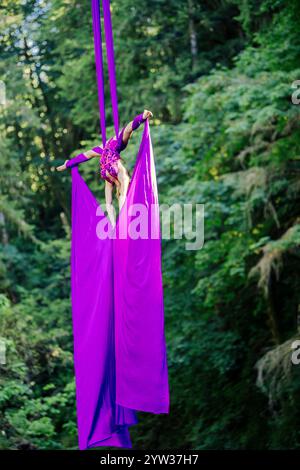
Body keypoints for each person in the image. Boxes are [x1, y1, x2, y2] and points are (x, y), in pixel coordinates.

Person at [56, 110, 153, 225]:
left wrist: (68, 164)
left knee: (114, 196)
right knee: (123, 192)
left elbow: (87, 155)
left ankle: (114, 225)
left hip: (105, 169)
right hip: (109, 167)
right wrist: (141, 118)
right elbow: (128, 129)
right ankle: (123, 220)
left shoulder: (104, 147)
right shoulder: (117, 144)